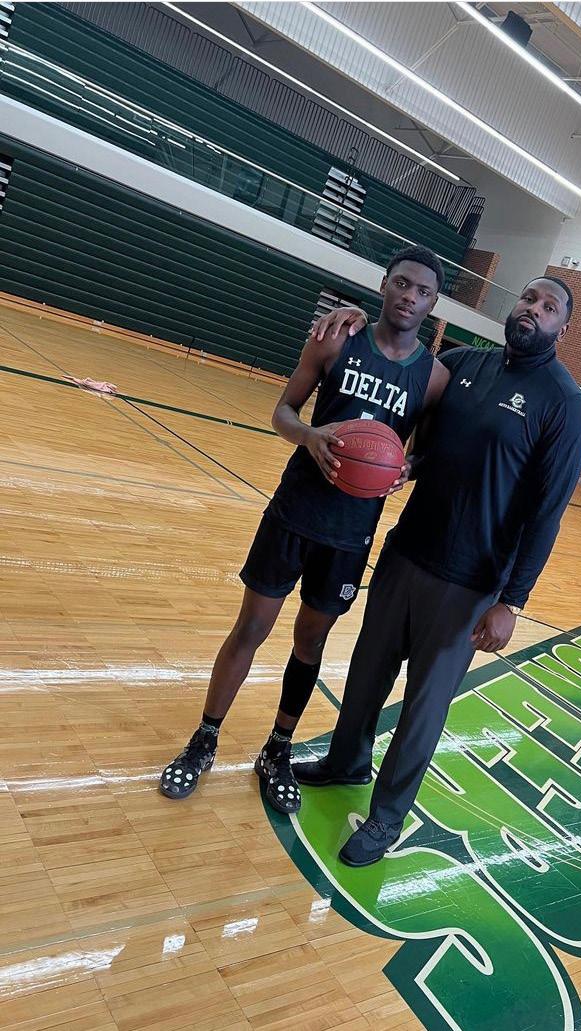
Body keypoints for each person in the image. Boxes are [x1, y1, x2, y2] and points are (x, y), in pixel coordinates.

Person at [294, 276, 581, 866]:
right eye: (528, 298)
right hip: (408, 552)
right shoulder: (464, 365)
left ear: (562, 326)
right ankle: (346, 761)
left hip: (471, 583)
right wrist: (359, 320)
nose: (533, 309)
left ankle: (386, 817)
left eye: (549, 307)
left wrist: (512, 601)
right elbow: (399, 359)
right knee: (366, 674)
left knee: (423, 709)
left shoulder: (565, 403)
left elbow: (547, 512)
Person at [158, 246, 449, 810]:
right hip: (294, 512)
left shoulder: (433, 378)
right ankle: (205, 738)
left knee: (310, 640)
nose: (409, 297)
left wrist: (405, 469)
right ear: (384, 285)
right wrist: (310, 437)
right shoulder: (336, 339)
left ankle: (278, 748)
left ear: (433, 304)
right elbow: (283, 412)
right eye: (402, 283)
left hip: (350, 533)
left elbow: (425, 454)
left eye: (423, 292)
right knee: (251, 627)